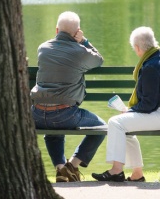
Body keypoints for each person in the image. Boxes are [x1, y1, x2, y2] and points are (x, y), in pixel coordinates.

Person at [92, 26, 160, 182]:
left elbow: (149, 104)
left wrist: (130, 110)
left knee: (116, 123)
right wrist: (131, 111)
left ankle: (116, 171)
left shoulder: (151, 66)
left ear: (137, 48)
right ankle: (137, 174)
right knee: (123, 126)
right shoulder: (159, 56)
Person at [30, 11, 106, 182]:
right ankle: (72, 166)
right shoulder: (80, 51)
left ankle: (61, 170)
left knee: (52, 128)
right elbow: (99, 60)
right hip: (65, 115)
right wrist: (84, 41)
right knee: (102, 128)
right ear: (77, 32)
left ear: (57, 30)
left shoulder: (42, 48)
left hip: (37, 114)